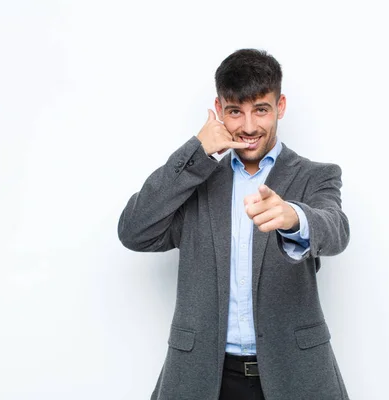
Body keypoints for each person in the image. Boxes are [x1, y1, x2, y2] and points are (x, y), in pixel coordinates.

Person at [118, 48, 351, 400]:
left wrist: (294, 217)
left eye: (261, 110)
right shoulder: (197, 180)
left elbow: (336, 230)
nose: (248, 127)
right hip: (204, 376)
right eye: (234, 112)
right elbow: (134, 230)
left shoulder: (316, 176)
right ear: (219, 110)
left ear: (280, 106)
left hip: (295, 374)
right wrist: (196, 152)